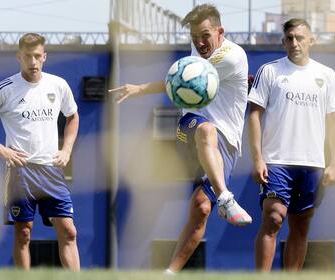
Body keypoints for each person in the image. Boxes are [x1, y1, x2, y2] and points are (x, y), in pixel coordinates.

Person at [108, 4, 252, 273]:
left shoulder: (233, 56)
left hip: (227, 144)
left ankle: (169, 273)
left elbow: (187, 76)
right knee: (206, 130)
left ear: (221, 32)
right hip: (191, 128)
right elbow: (180, 80)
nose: (199, 42)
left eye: (205, 35)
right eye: (194, 36)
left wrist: (141, 88)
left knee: (200, 209)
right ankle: (226, 198)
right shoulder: (198, 48)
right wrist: (139, 88)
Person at [0, 33, 80, 270]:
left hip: (51, 171)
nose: (33, 62)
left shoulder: (58, 85)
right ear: (19, 57)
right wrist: (1, 150)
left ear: (44, 57)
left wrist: (67, 149)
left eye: (38, 56)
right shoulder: (4, 88)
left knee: (69, 232)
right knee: (24, 234)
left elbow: (73, 116)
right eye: (28, 56)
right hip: (21, 172)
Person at [248, 18, 335, 271]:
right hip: (276, 161)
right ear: (283, 42)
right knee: (273, 218)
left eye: (300, 38)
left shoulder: (326, 75)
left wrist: (334, 163)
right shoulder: (270, 71)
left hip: (312, 164)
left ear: (311, 40)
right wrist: (257, 158)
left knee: (301, 226)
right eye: (289, 38)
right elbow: (255, 115)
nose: (294, 43)